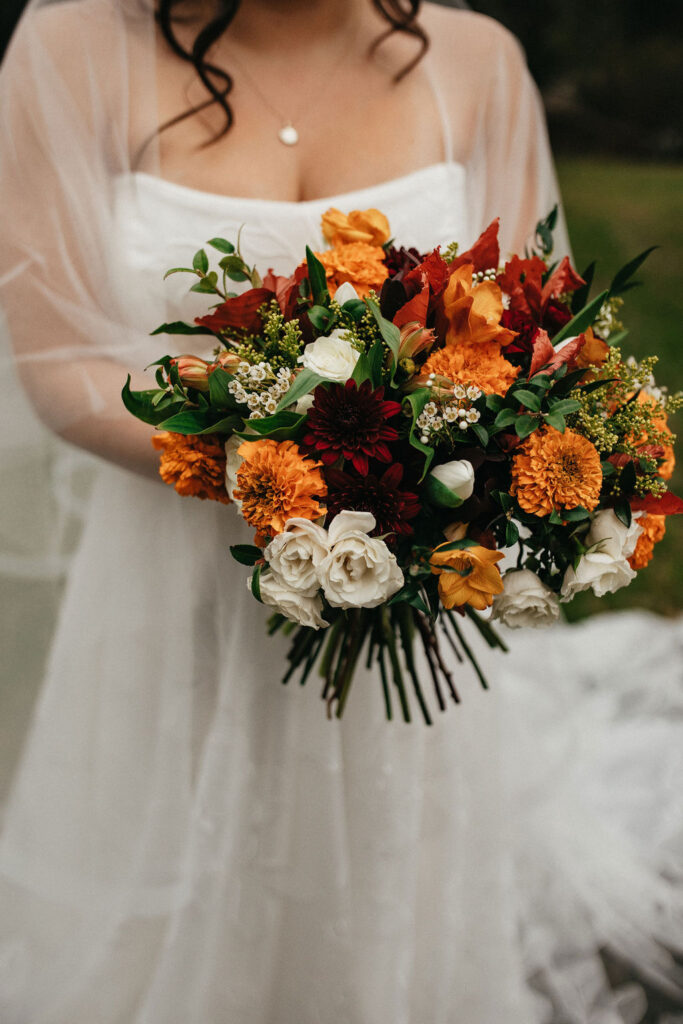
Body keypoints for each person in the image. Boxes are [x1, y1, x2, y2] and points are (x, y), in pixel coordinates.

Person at [0, 1, 681, 1021]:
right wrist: (294, 461)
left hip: (399, 591)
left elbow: (534, 333)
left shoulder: (477, 60)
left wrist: (449, 470)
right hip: (169, 584)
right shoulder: (68, 46)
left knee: (385, 894)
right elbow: (60, 370)